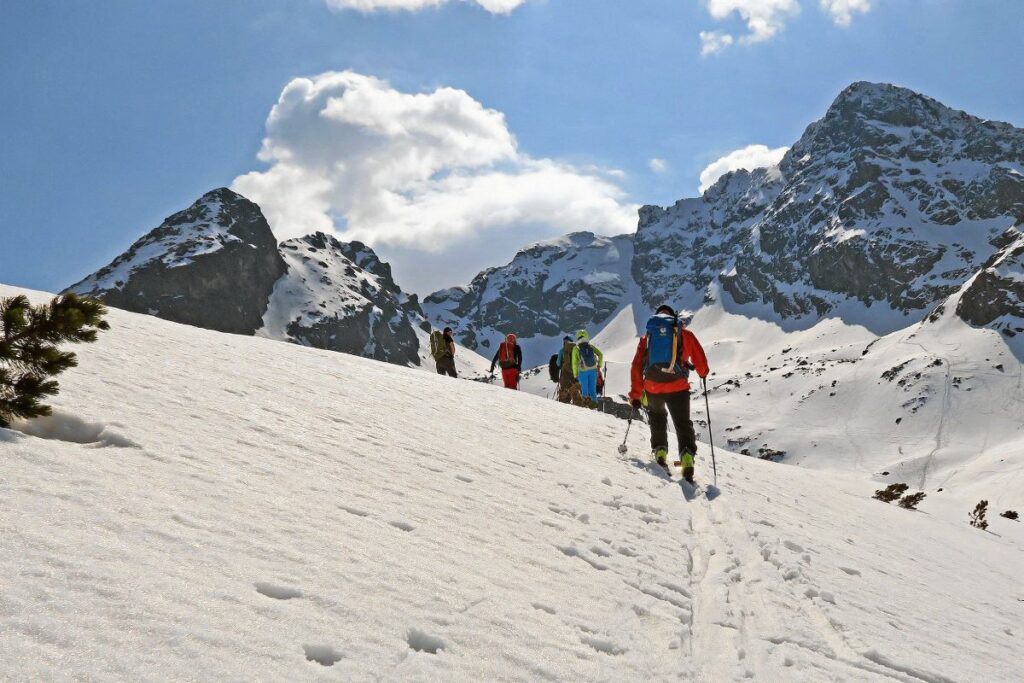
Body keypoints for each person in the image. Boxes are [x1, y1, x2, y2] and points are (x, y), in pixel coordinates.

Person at [628, 305, 709, 483]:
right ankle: (687, 457)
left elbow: (636, 366)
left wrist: (635, 394)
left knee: (657, 417)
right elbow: (699, 358)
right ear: (674, 319)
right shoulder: (684, 335)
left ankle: (660, 451)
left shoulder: (647, 339)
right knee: (682, 423)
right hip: (678, 387)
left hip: (653, 387)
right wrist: (703, 372)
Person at [571, 330, 604, 406]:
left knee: (584, 390)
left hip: (583, 372)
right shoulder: (590, 346)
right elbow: (600, 355)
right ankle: (594, 406)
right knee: (592, 390)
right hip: (593, 371)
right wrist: (599, 365)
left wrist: (575, 374)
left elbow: (574, 363)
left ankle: (585, 407)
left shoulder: (576, 348)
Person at [556, 336, 584, 405]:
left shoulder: (562, 350)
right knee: (575, 392)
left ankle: (565, 409)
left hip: (565, 374)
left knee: (564, 392)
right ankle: (580, 407)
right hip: (575, 375)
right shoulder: (576, 350)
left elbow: (558, 363)